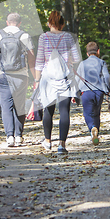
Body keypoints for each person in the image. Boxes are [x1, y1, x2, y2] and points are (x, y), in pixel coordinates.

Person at [0, 13, 36, 147]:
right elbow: (31, 59)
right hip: (21, 76)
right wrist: (36, 77)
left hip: (3, 75)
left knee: (6, 106)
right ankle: (18, 136)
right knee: (19, 106)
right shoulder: (24, 35)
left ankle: (9, 137)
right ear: (19, 23)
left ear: (7, 22)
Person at [34, 11, 81, 154]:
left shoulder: (44, 37)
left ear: (49, 23)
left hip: (48, 78)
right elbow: (77, 58)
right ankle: (62, 145)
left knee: (48, 110)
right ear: (62, 24)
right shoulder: (68, 37)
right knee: (64, 111)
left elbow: (39, 60)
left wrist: (36, 80)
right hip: (65, 78)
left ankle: (48, 141)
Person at [76, 41, 110, 146]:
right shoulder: (102, 62)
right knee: (96, 113)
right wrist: (107, 90)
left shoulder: (82, 64)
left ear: (87, 53)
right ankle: (96, 134)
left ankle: (92, 128)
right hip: (99, 92)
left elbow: (78, 79)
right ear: (98, 51)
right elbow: (107, 77)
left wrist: (76, 93)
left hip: (86, 92)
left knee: (87, 113)